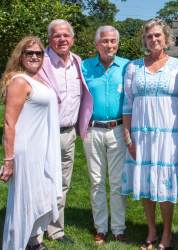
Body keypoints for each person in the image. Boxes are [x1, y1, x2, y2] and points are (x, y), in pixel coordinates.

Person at [121, 18, 178, 250]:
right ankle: (151, 229)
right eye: (149, 36)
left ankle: (167, 233)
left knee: (166, 184)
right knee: (146, 182)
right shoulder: (133, 67)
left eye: (158, 35)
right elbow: (127, 105)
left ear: (166, 39)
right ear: (144, 40)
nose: (154, 39)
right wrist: (128, 136)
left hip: (170, 135)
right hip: (142, 135)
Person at [1, 36, 62, 250]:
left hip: (41, 148)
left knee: (40, 195)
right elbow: (9, 123)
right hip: (26, 151)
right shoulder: (19, 81)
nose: (35, 56)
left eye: (39, 53)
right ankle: (14, 243)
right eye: (30, 53)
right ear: (21, 56)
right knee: (22, 202)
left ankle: (31, 240)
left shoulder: (37, 79)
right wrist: (8, 160)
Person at [37, 19, 93, 242]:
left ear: (72, 39)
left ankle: (56, 229)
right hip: (44, 133)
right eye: (56, 35)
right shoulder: (39, 62)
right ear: (49, 39)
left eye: (66, 35)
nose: (62, 39)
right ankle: (36, 231)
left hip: (69, 133)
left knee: (62, 184)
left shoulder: (78, 62)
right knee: (41, 183)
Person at [81, 25, 129, 244]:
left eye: (113, 41)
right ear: (96, 44)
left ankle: (118, 228)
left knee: (118, 182)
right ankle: (101, 227)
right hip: (92, 130)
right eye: (104, 41)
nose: (109, 45)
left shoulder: (128, 66)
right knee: (97, 181)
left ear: (117, 44)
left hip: (118, 129)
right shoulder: (85, 67)